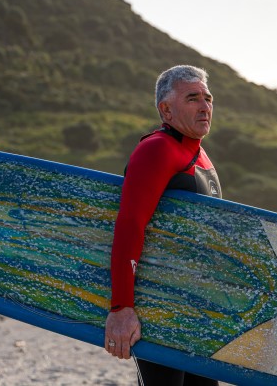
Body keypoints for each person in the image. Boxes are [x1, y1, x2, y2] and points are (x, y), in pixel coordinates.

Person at [104, 65, 222, 386]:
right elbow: (130, 225)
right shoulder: (156, 149)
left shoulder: (201, 157)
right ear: (166, 109)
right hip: (159, 308)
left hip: (198, 310)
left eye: (208, 98)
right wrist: (122, 307)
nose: (205, 105)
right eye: (193, 98)